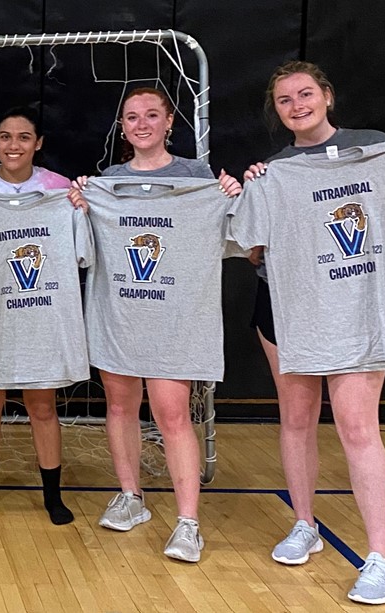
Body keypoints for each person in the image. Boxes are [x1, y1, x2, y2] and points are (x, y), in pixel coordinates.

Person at [239, 60, 385, 605]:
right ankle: (304, 523)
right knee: (296, 417)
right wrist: (251, 190)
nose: (297, 105)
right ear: (276, 111)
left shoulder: (378, 147)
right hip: (284, 304)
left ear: (326, 95)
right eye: (284, 100)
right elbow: (253, 250)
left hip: (354, 305)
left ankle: (382, 558)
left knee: (357, 425)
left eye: (305, 94)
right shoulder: (275, 169)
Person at [69, 87, 241, 563]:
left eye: (151, 115)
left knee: (172, 415)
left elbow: (232, 236)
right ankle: (131, 497)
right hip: (119, 315)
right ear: (122, 126)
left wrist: (228, 195)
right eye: (131, 117)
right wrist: (83, 202)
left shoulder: (198, 178)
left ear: (169, 122)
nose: (141, 124)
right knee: (120, 406)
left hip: (175, 320)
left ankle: (189, 523)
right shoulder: (107, 182)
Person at [0, 107, 76, 524]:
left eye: (24, 137)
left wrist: (80, 205)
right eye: (6, 136)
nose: (14, 145)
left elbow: (81, 249)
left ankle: (52, 496)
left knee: (42, 405)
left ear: (38, 143)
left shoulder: (59, 191)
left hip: (41, 317)